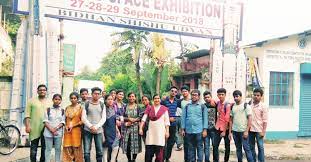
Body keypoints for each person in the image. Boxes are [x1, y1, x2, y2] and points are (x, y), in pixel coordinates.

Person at [24, 84, 52, 162]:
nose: (42, 91)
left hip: (46, 128)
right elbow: (27, 114)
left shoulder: (50, 101)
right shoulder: (31, 101)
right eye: (40, 90)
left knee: (44, 148)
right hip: (34, 127)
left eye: (44, 90)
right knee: (33, 148)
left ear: (46, 91)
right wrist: (27, 126)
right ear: (37, 91)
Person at [139, 94, 170, 162]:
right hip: (151, 133)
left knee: (159, 154)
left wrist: (167, 132)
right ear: (153, 100)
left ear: (160, 100)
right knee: (149, 153)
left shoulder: (164, 109)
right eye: (155, 98)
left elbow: (167, 121)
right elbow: (144, 119)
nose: (157, 100)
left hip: (160, 133)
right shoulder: (149, 108)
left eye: (158, 98)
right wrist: (140, 128)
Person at [181, 89, 208, 162]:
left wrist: (205, 130)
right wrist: (183, 129)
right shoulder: (187, 106)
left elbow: (205, 119)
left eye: (196, 95)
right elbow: (183, 118)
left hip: (199, 131)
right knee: (191, 148)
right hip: (189, 131)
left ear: (199, 97)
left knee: (199, 147)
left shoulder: (202, 106)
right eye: (192, 95)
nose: (194, 96)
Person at [82, 87, 107, 162]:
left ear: (100, 95)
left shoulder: (102, 105)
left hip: (98, 130)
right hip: (87, 130)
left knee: (99, 152)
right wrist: (90, 126)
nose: (97, 95)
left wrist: (96, 127)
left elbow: (103, 118)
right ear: (92, 94)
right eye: (95, 93)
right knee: (86, 152)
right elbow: (83, 117)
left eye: (98, 94)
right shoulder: (86, 104)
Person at [230, 90, 254, 162]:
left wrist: (246, 131)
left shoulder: (246, 106)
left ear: (241, 96)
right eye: (234, 96)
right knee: (238, 149)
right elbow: (231, 120)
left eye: (237, 96)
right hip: (235, 131)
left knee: (247, 149)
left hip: (243, 131)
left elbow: (250, 118)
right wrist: (229, 132)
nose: (235, 98)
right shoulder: (233, 106)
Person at [43, 94, 65, 162]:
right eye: (55, 99)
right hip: (48, 133)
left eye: (59, 99)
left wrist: (56, 129)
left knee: (58, 149)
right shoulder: (48, 109)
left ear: (61, 101)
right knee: (48, 149)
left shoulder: (62, 110)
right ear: (52, 100)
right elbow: (45, 121)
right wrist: (51, 129)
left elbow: (63, 122)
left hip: (58, 133)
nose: (57, 101)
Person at [121, 92, 142, 162]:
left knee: (135, 144)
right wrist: (128, 119)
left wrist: (135, 119)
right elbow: (122, 116)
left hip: (135, 129)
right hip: (127, 128)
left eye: (133, 96)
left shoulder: (138, 106)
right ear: (128, 97)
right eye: (130, 96)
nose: (131, 98)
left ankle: (134, 159)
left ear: (135, 98)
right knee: (127, 144)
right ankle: (129, 159)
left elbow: (140, 116)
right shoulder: (125, 106)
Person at [63, 92, 83, 162]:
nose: (73, 99)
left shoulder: (81, 108)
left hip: (76, 130)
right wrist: (66, 126)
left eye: (75, 98)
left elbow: (82, 121)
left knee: (76, 147)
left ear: (77, 99)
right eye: (71, 98)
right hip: (67, 130)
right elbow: (64, 119)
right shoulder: (67, 108)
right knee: (67, 146)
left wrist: (73, 125)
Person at [249, 88, 268, 162]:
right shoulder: (250, 105)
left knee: (260, 147)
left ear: (261, 96)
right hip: (250, 129)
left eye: (258, 95)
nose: (256, 96)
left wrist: (263, 131)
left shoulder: (263, 106)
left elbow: (265, 120)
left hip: (259, 130)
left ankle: (261, 160)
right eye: (254, 95)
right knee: (251, 147)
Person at [213, 88, 232, 162]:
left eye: (222, 94)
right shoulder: (218, 103)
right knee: (215, 146)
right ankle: (215, 160)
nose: (221, 96)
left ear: (225, 95)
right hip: (218, 127)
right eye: (219, 94)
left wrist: (224, 131)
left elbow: (227, 119)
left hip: (226, 129)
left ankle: (226, 160)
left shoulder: (227, 105)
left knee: (227, 146)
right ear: (217, 95)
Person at [161, 86, 179, 162]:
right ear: (169, 91)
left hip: (173, 125)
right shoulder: (164, 101)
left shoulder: (177, 101)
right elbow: (160, 111)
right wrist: (168, 118)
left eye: (175, 91)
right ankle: (162, 157)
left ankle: (167, 158)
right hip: (165, 124)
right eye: (172, 91)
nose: (173, 93)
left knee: (171, 142)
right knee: (164, 142)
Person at [103, 95, 121, 162]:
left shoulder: (113, 109)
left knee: (116, 147)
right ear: (105, 100)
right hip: (105, 132)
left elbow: (114, 122)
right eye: (108, 99)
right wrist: (102, 135)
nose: (110, 100)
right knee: (105, 149)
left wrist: (118, 131)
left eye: (111, 99)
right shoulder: (103, 109)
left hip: (113, 131)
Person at [177, 85, 191, 161]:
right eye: (183, 91)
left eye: (186, 91)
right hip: (184, 125)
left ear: (188, 92)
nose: (184, 92)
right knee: (186, 143)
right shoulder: (180, 102)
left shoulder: (192, 101)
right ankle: (186, 159)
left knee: (191, 144)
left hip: (192, 125)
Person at [203, 91, 217, 162]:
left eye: (208, 97)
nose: (207, 98)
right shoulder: (203, 106)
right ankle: (207, 160)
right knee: (206, 147)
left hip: (214, 130)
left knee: (215, 146)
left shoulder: (215, 105)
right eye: (205, 97)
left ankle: (215, 160)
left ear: (211, 97)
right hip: (206, 130)